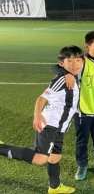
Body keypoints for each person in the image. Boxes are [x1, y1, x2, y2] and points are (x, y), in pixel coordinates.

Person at [0, 46, 84, 194]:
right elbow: (42, 98)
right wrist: (37, 115)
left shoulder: (74, 75)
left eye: (78, 60)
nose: (75, 64)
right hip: (50, 124)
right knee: (40, 159)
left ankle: (55, 187)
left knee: (55, 157)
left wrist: (66, 72)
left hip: (60, 128)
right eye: (70, 60)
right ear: (62, 63)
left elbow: (58, 67)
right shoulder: (62, 80)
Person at [62, 31, 94, 180]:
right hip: (82, 110)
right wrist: (66, 73)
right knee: (82, 141)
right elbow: (58, 65)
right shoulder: (82, 61)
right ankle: (82, 165)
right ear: (87, 47)